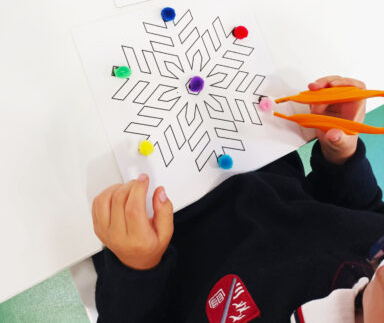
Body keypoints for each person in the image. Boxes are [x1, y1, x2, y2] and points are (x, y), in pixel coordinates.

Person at [91, 76, 384, 323]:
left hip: (138, 212)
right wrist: (341, 157)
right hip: (246, 151)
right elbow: (365, 213)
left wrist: (138, 266)